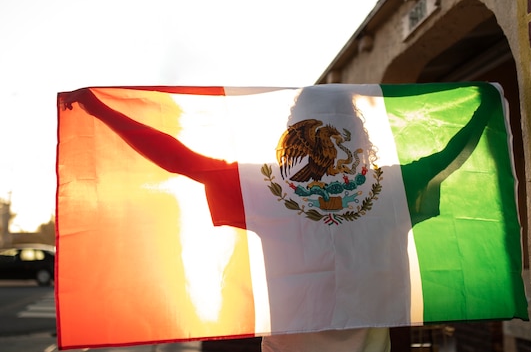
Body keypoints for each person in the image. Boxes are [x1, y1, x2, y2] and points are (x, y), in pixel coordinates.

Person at [60, 84, 497, 352]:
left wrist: (102, 111)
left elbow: (182, 161)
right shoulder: (393, 189)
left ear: (293, 133)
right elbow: (447, 158)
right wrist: (484, 111)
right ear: (356, 133)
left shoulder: (265, 189)